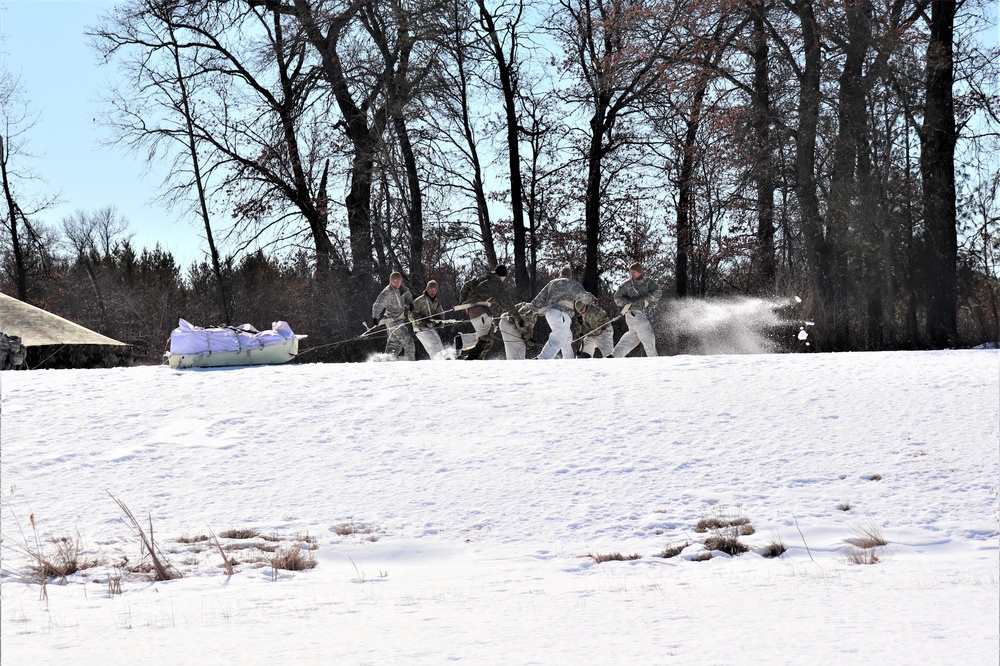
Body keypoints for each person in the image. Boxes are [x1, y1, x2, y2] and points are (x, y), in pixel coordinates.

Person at [530, 266, 594, 360]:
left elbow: (540, 298)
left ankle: (568, 359)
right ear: (570, 275)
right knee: (559, 335)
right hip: (562, 314)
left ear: (560, 274)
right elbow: (584, 296)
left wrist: (533, 309)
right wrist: (594, 301)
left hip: (550, 313)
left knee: (567, 336)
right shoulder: (571, 283)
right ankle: (542, 358)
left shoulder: (552, 283)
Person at [455, 265, 509, 360]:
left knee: (487, 334)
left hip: (480, 311)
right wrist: (463, 302)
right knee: (486, 337)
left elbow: (499, 300)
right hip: (479, 311)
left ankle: (464, 344)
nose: (503, 279)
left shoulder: (488, 280)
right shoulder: (491, 282)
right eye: (503, 277)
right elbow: (467, 285)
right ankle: (472, 357)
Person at [611, 262, 661, 358]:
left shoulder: (648, 282)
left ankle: (614, 356)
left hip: (640, 314)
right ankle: (654, 359)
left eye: (634, 272)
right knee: (648, 336)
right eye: (631, 272)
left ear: (640, 272)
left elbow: (658, 292)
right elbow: (617, 299)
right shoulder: (626, 285)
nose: (632, 274)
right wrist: (630, 301)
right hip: (634, 313)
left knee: (632, 338)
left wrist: (646, 297)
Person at [371, 271, 415, 361]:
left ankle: (384, 362)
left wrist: (410, 304)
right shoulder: (387, 292)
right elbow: (378, 304)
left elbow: (408, 298)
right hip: (392, 321)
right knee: (408, 343)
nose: (396, 283)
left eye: (398, 281)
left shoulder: (404, 290)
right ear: (390, 281)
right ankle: (410, 363)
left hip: (400, 320)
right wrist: (375, 317)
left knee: (395, 345)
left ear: (401, 281)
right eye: (394, 281)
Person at [410, 279, 446, 359]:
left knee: (439, 346)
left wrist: (439, 321)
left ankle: (443, 360)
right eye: (431, 289)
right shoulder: (419, 300)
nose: (433, 291)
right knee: (434, 346)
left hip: (430, 328)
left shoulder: (436, 302)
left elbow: (441, 314)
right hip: (420, 328)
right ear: (427, 289)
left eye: (435, 290)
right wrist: (421, 319)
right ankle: (437, 360)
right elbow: (411, 315)